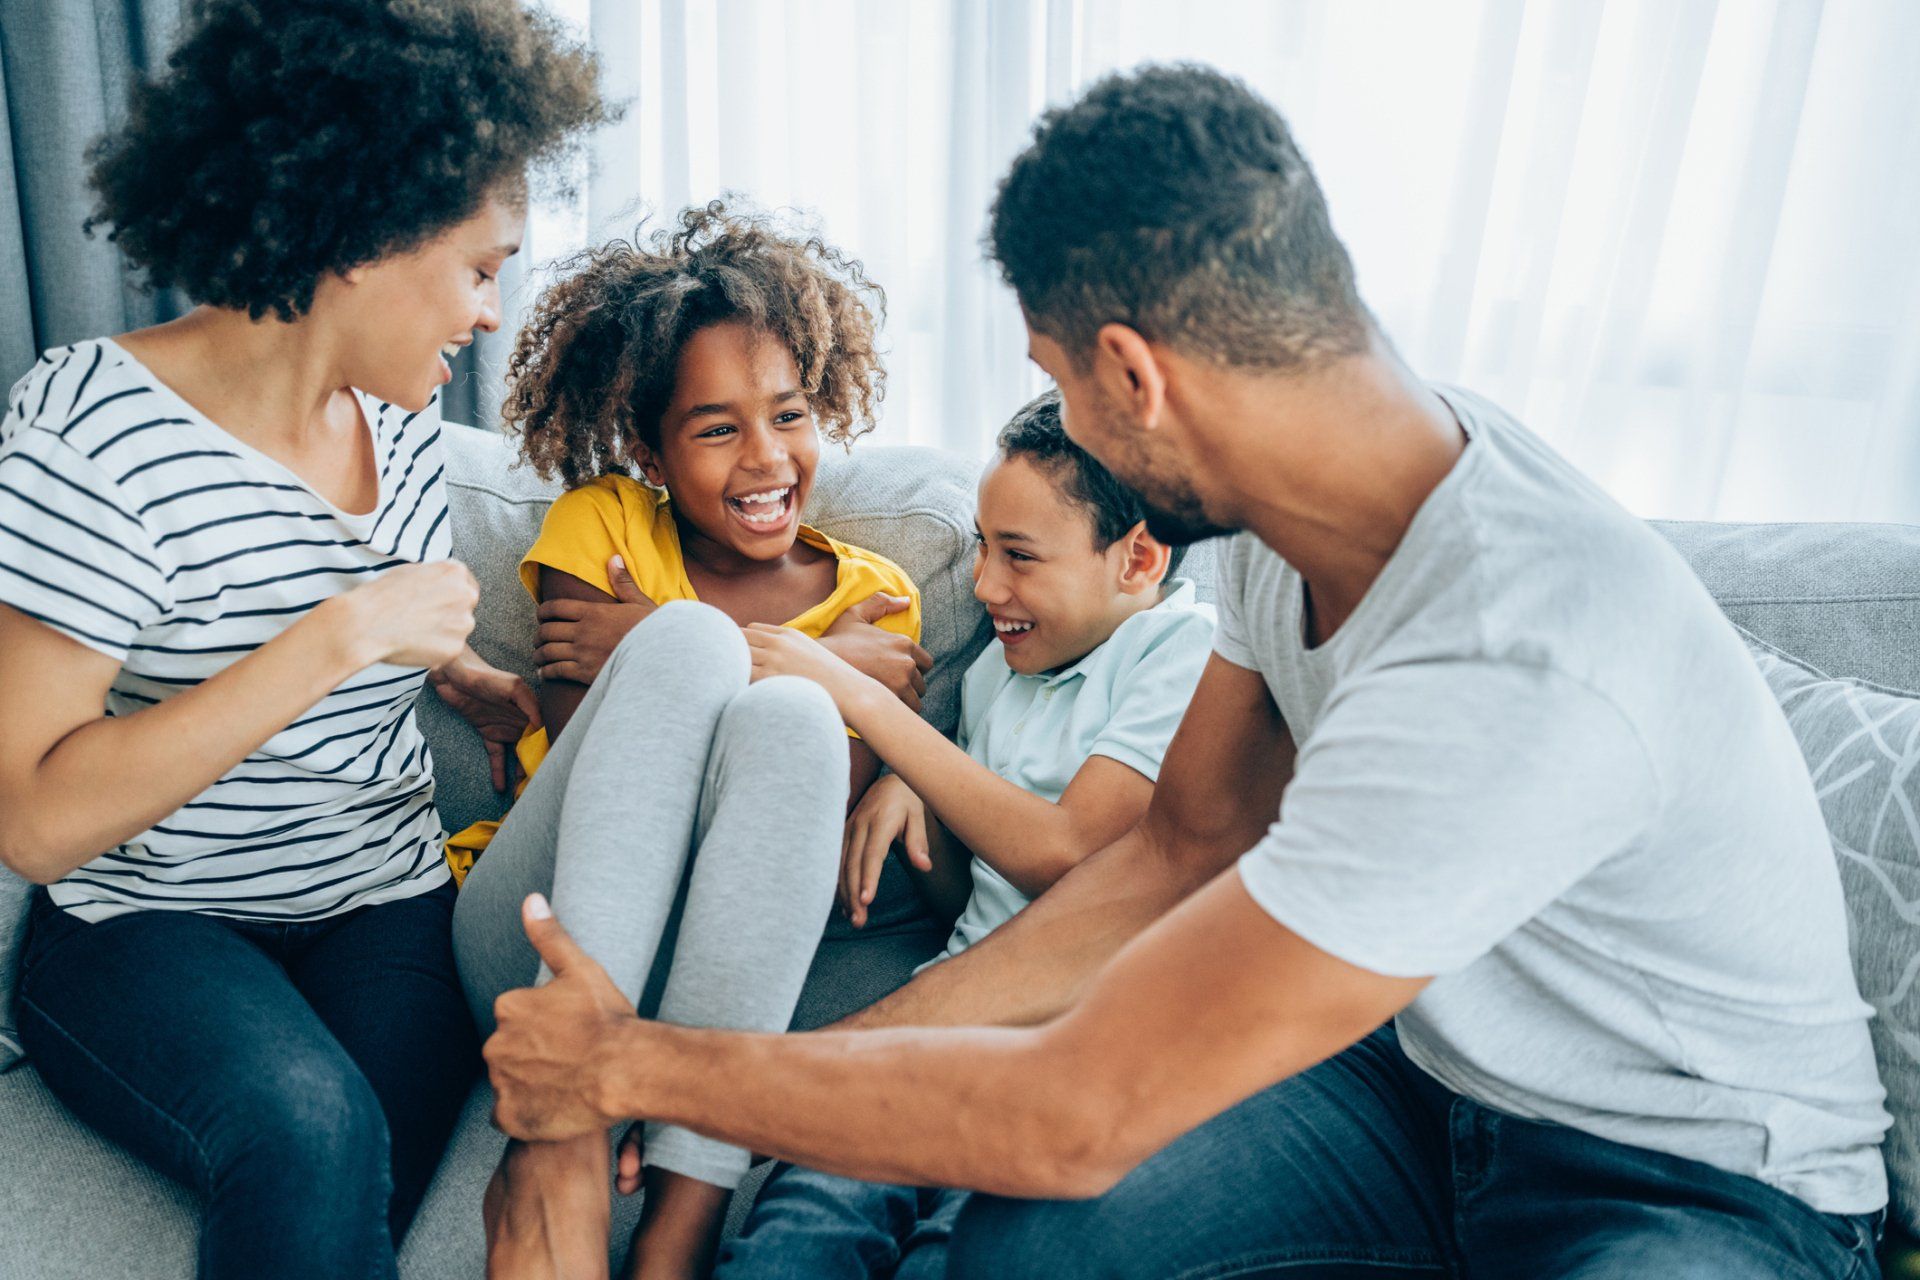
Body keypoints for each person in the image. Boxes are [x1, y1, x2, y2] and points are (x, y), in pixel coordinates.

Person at [480, 63, 1891, 1280]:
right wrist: (839, 1071)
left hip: (1695, 1174)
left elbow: (1074, 1110)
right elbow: (1171, 855)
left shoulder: (1519, 650)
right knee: (1028, 1246)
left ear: (1134, 380)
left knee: (1050, 1162)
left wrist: (629, 1065)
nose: (1067, 422)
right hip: (1427, 1090)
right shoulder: (1292, 530)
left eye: (1062, 380)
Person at [0, 2, 606, 1277]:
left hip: (381, 904)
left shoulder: (404, 432)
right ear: (366, 231)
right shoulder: (89, 425)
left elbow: (341, 609)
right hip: (143, 926)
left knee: (347, 1179)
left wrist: (474, 681)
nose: (494, 314)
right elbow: (36, 819)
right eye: (481, 265)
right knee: (311, 1129)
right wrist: (336, 637)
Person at [448, 203, 929, 1280]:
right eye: (716, 428)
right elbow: (598, 761)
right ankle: (559, 1144)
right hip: (539, 936)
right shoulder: (604, 523)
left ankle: (683, 1219)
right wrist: (788, 651)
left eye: (791, 414)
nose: (766, 458)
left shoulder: (880, 595)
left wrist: (736, 653)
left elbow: (802, 821)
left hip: (711, 983)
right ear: (649, 449)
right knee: (711, 658)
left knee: (795, 713)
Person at [713, 387, 1214, 1279]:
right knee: (801, 1225)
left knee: (959, 1251)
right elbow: (968, 904)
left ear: (1138, 560)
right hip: (945, 1019)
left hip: (1069, 1052)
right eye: (983, 548)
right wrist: (924, 803)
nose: (986, 586)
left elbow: (1068, 858)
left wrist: (869, 706)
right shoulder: (998, 675)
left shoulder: (1181, 652)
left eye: (1019, 556)